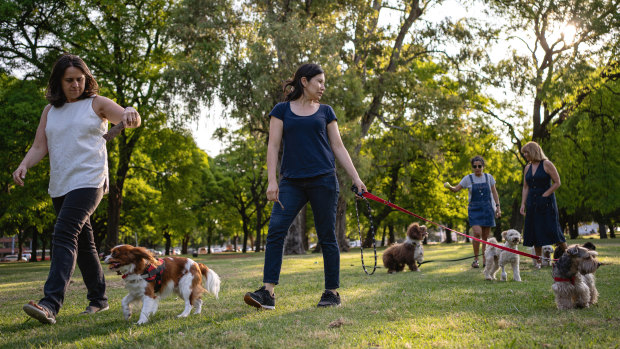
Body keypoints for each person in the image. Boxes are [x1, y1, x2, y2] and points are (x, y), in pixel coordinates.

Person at [12, 54, 141, 324]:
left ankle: (50, 304)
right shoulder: (50, 111)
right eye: (69, 80)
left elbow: (131, 118)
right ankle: (99, 300)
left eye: (80, 79)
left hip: (89, 180)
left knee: (63, 233)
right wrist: (24, 164)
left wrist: (130, 111)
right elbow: (39, 147)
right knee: (84, 244)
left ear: (87, 79)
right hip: (61, 183)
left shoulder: (97, 104)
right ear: (59, 82)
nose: (75, 84)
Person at [243, 63, 367, 310]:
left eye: (324, 83)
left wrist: (356, 178)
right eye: (319, 81)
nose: (323, 87)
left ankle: (331, 292)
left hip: (323, 179)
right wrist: (272, 180)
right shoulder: (281, 111)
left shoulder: (326, 111)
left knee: (327, 236)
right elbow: (273, 147)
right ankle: (267, 293)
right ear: (304, 81)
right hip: (291, 182)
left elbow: (338, 147)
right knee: (276, 229)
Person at [444, 156, 501, 268]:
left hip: (487, 209)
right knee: (477, 233)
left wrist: (498, 207)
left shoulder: (489, 178)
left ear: (483, 166)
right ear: (472, 167)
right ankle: (476, 259)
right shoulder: (468, 179)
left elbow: (494, 193)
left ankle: (485, 259)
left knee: (485, 236)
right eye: (475, 166)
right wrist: (449, 187)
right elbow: (456, 189)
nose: (477, 168)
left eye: (479, 166)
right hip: (474, 209)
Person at [519, 141, 567, 268]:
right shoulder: (527, 168)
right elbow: (525, 187)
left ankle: (569, 256)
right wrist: (523, 203)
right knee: (535, 231)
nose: (525, 155)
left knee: (553, 230)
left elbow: (557, 182)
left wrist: (546, 194)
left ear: (533, 151)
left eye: (526, 152)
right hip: (532, 203)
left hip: (546, 203)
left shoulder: (547, 164)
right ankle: (539, 262)